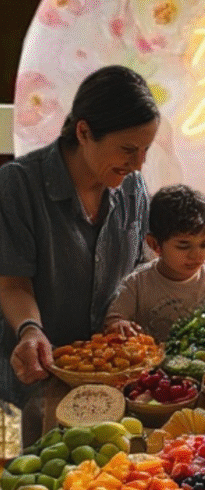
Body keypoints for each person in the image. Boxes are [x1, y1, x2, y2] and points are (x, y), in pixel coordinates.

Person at [0, 65, 160, 445]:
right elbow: (12, 282)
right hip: (25, 386)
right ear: (84, 132)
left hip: (103, 392)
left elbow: (138, 269)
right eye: (127, 149)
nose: (138, 164)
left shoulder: (133, 189)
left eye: (145, 151)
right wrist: (31, 330)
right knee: (17, 487)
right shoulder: (18, 185)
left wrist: (120, 317)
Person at [105, 184, 205, 343]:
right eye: (183, 245)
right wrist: (119, 324)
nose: (196, 254)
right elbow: (113, 320)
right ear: (155, 245)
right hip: (152, 365)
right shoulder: (137, 284)